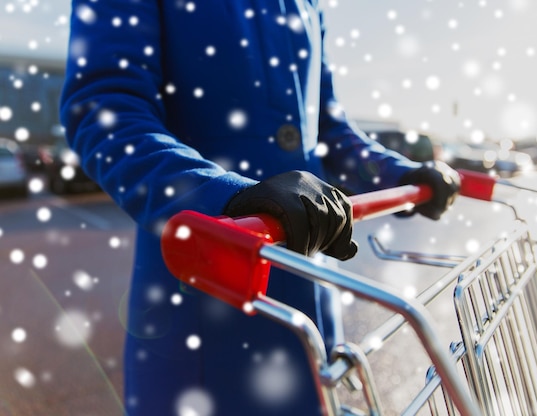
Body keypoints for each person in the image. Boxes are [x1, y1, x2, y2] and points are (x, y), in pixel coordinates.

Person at [60, 1, 459, 415]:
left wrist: (398, 175)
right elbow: (105, 109)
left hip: (309, 306)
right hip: (205, 313)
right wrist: (223, 195)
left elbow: (328, 126)